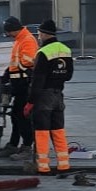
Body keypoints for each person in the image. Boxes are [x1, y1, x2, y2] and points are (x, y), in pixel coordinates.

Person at [24, 19, 74, 176]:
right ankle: (64, 164)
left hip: (44, 96)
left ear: (44, 34)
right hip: (59, 95)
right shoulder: (65, 50)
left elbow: (38, 81)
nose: (38, 37)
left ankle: (43, 166)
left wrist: (30, 102)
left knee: (42, 131)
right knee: (58, 130)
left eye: (39, 34)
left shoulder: (43, 53)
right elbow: (69, 75)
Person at [0, 16, 38, 158]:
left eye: (8, 32)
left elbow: (27, 62)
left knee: (22, 116)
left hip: (24, 84)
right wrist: (7, 74)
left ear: (13, 29)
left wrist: (16, 75)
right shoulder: (20, 40)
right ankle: (13, 145)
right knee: (16, 116)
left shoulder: (27, 40)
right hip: (18, 84)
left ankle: (26, 146)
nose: (8, 35)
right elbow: (15, 62)